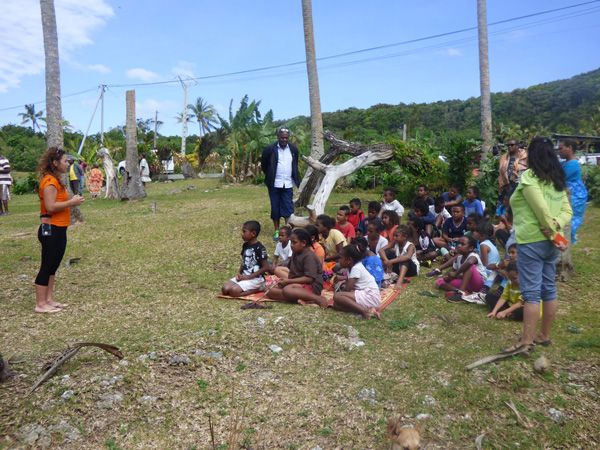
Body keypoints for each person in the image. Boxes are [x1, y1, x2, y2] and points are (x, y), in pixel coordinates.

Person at [503, 137, 572, 353]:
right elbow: (566, 211)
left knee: (532, 293)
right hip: (550, 244)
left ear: (532, 155)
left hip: (532, 241)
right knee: (548, 288)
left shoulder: (530, 177)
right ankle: (543, 336)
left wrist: (552, 230)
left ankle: (526, 341)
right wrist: (556, 232)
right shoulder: (556, 179)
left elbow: (541, 210)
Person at [34, 147, 85, 313]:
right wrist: (72, 203)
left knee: (53, 266)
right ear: (55, 163)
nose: (67, 163)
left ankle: (49, 299)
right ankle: (40, 304)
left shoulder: (56, 180)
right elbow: (50, 207)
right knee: (46, 266)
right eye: (64, 161)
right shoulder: (49, 182)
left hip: (60, 228)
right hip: (51, 229)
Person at [266, 229, 327, 309]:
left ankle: (317, 298)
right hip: (296, 284)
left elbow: (309, 279)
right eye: (291, 242)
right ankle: (299, 298)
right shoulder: (295, 253)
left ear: (304, 243)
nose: (291, 245)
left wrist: (288, 281)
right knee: (268, 289)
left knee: (288, 290)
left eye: (294, 242)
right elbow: (292, 273)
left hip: (311, 286)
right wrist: (285, 282)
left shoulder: (309, 256)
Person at [261, 128, 300, 241]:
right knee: (275, 208)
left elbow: (295, 164)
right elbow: (264, 165)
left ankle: (287, 231)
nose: (284, 139)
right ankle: (277, 231)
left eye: (286, 137)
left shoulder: (293, 149)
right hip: (274, 184)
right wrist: (270, 175)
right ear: (278, 137)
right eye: (282, 137)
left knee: (288, 207)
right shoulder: (270, 149)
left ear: (289, 138)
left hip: (288, 184)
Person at [427, 235, 487, 303]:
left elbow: (470, 262)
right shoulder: (458, 258)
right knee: (440, 281)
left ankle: (461, 293)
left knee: (469, 265)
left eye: (462, 244)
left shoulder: (473, 256)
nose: (459, 246)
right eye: (458, 243)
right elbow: (454, 273)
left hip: (479, 284)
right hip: (467, 284)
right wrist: (450, 277)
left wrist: (455, 274)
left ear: (470, 248)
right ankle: (457, 291)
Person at [333, 244, 381, 320]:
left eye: (341, 258)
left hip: (370, 296)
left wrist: (342, 294)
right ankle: (369, 310)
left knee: (337, 296)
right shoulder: (351, 268)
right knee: (336, 305)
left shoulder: (356, 268)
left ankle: (364, 311)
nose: (339, 261)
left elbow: (347, 289)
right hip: (365, 294)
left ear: (349, 260)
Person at [221, 220, 269, 297]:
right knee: (225, 289)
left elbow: (266, 267)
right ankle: (243, 286)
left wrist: (249, 277)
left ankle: (259, 288)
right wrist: (239, 273)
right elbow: (243, 262)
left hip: (255, 279)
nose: (242, 234)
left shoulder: (260, 248)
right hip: (244, 276)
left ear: (253, 233)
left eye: (244, 232)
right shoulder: (245, 245)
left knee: (233, 292)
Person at [558, 138, 588, 244]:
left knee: (568, 223)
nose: (559, 151)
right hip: (566, 194)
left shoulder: (573, 164)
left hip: (574, 197)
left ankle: (563, 244)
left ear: (569, 148)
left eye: (561, 148)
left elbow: (559, 178)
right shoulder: (563, 163)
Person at [379, 225, 419, 290]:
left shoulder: (410, 246)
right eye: (394, 235)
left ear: (405, 237)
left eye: (397, 236)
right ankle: (381, 274)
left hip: (411, 270)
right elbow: (381, 250)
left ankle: (400, 281)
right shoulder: (395, 243)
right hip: (400, 267)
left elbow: (408, 257)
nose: (394, 237)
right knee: (387, 252)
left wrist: (391, 261)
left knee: (405, 259)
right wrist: (387, 261)